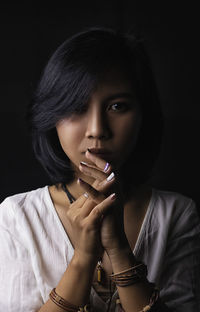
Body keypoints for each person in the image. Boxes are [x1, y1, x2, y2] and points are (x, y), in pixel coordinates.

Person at [0, 27, 200, 312]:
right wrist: (83, 257)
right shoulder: (17, 217)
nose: (97, 130)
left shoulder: (177, 215)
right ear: (52, 115)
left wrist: (119, 251)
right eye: (76, 107)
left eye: (118, 106)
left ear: (144, 115)